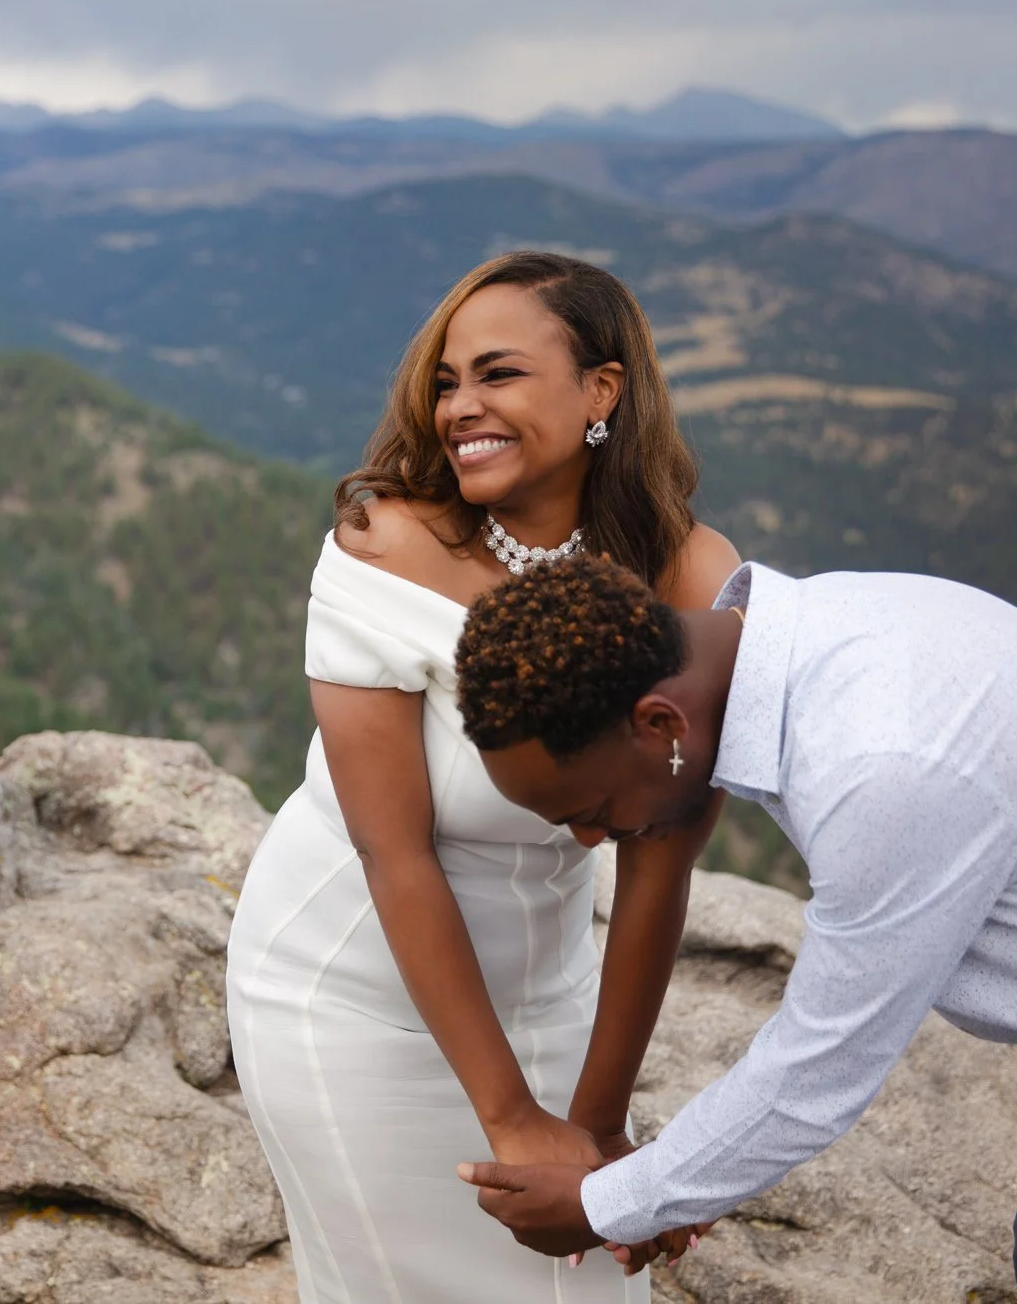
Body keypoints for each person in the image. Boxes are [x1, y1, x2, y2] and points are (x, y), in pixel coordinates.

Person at [450, 553, 1017, 1304]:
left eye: (593, 809)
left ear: (660, 723)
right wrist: (677, 1186)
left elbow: (820, 1067)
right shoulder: (823, 635)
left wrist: (610, 1202)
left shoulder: (881, 756)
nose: (591, 839)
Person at [224, 251, 740, 1301]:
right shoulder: (385, 547)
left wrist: (594, 1129)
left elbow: (659, 861)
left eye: (496, 375)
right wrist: (509, 1120)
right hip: (348, 1002)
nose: (461, 406)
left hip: (549, 999)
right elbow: (391, 849)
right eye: (446, 382)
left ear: (601, 389)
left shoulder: (690, 576)